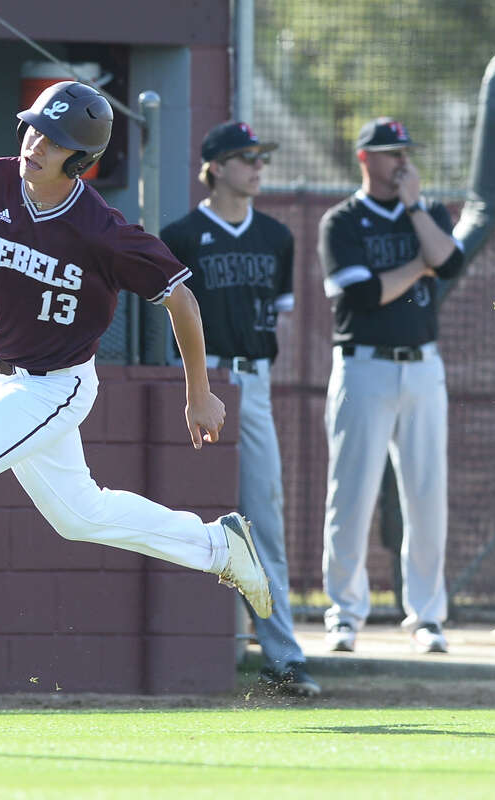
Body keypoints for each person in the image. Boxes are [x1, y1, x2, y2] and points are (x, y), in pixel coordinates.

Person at [0, 81, 273, 698]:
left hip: (55, 387)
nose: (36, 143)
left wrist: (197, 392)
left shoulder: (101, 230)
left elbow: (183, 301)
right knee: (80, 515)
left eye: (56, 139)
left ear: (81, 161)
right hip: (3, 375)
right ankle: (219, 546)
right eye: (34, 128)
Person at [160, 121, 318, 698]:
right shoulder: (179, 234)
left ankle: (283, 657)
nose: (257, 167)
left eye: (260, 158)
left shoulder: (276, 236)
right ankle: (202, 651)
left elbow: (283, 317)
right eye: (246, 157)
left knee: (264, 521)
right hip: (197, 381)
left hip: (253, 381)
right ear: (216, 167)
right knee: (185, 515)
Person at [317, 117, 465, 654]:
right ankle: (345, 614)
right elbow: (360, 296)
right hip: (364, 364)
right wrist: (417, 266)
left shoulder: (426, 212)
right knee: (351, 494)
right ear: (364, 159)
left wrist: (415, 211)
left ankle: (426, 617)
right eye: (388, 151)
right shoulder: (343, 221)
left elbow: (449, 264)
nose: (400, 160)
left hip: (423, 366)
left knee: (428, 495)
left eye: (405, 150)